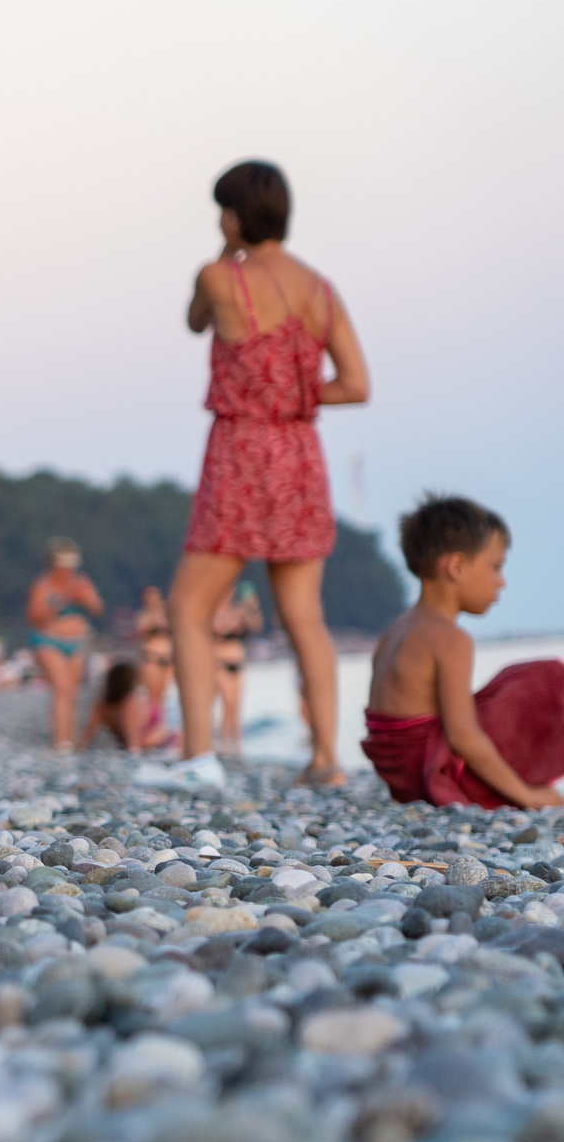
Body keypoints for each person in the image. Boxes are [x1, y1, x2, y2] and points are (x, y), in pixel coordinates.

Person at [164, 159, 370, 791]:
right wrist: (300, 396)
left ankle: (200, 759)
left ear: (233, 216)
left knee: (188, 608)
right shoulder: (321, 290)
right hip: (300, 453)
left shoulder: (220, 276)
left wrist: (225, 250)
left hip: (241, 451)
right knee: (304, 617)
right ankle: (326, 761)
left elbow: (195, 320)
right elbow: (356, 386)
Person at [362, 496, 562, 809]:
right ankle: (526, 787)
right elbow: (462, 736)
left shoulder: (395, 629)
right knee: (550, 677)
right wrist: (528, 799)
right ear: (456, 566)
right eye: (496, 567)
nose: (502, 582)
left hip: (402, 779)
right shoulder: (450, 638)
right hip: (432, 776)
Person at [25, 541, 103, 752]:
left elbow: (97, 608)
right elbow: (35, 616)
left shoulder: (81, 582)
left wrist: (85, 598)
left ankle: (69, 738)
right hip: (49, 639)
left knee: (72, 692)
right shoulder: (43, 585)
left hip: (77, 641)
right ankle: (61, 741)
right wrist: (64, 599)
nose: (68, 569)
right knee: (62, 688)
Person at [208, 581, 261, 756]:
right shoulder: (213, 612)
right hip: (221, 664)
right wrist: (232, 618)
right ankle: (223, 744)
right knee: (228, 705)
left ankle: (238, 746)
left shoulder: (238, 611)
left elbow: (256, 625)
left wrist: (252, 607)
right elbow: (218, 628)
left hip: (238, 664)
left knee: (236, 708)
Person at [83, 658, 178, 752]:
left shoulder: (103, 706)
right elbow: (134, 742)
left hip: (149, 744)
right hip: (155, 745)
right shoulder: (131, 702)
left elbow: (87, 737)